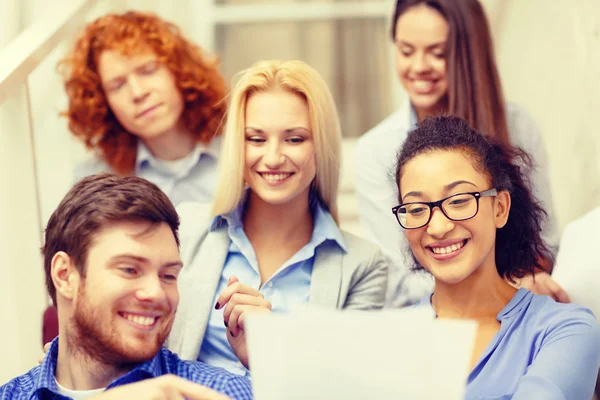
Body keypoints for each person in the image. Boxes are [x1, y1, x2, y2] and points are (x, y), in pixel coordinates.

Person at [167, 60, 389, 375]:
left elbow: (347, 388)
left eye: (294, 139)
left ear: (321, 145)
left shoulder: (362, 266)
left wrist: (272, 351)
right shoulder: (183, 230)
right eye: (256, 139)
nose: (272, 158)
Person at [355, 0, 562, 307]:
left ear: (468, 53)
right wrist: (495, 286)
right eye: (406, 50)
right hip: (436, 321)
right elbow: (399, 283)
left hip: (518, 306)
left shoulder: (516, 125)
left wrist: (526, 284)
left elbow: (545, 245)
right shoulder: (377, 150)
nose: (418, 66)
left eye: (438, 53)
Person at [393, 115, 600, 399]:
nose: (437, 227)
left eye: (459, 201)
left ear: (500, 208)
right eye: (416, 209)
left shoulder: (564, 331)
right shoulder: (389, 338)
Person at [0, 174, 252, 400]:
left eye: (168, 275)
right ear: (65, 275)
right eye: (129, 270)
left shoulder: (223, 393)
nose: (156, 293)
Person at [59, 11, 228, 205]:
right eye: (117, 85)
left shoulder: (245, 152)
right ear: (103, 103)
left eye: (148, 71)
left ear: (179, 71)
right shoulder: (94, 186)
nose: (138, 93)